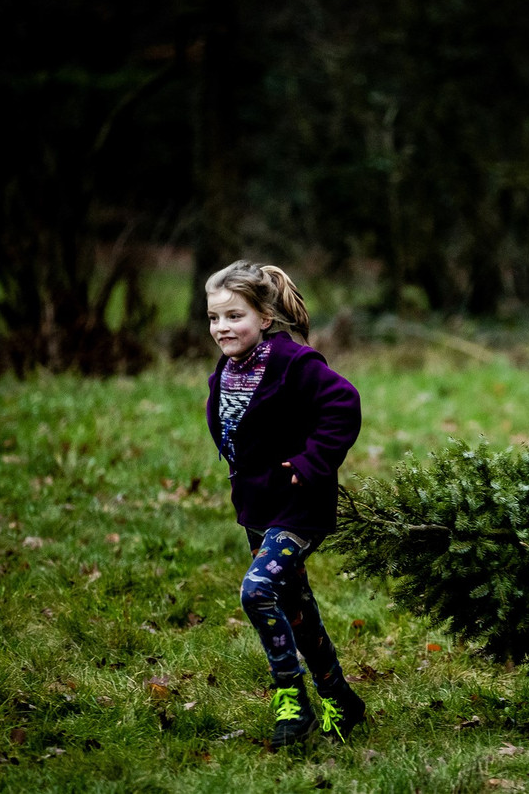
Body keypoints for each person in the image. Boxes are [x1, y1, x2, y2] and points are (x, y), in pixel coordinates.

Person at [204, 260, 366, 747]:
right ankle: (339, 698)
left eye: (234, 316)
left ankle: (290, 697)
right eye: (214, 318)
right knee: (297, 608)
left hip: (299, 506)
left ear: (264, 319)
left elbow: (344, 403)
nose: (222, 328)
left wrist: (311, 462)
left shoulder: (294, 364)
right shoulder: (227, 371)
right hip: (259, 508)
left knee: (256, 593)